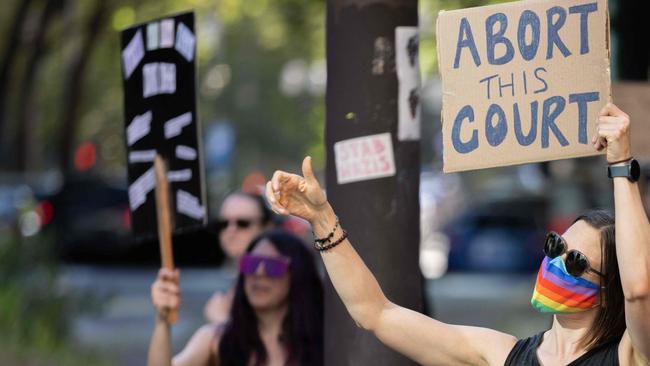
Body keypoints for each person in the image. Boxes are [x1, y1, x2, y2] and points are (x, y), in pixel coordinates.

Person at [265, 103, 650, 365]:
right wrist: (321, 218)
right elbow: (375, 313)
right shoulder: (503, 354)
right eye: (556, 246)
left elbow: (639, 288)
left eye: (577, 261)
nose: (556, 261)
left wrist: (620, 164)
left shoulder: (632, 353)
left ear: (607, 290)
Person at [148, 230, 324, 366]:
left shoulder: (325, 340)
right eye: (251, 264)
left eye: (273, 266)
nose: (259, 273)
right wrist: (162, 319)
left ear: (298, 275)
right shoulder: (215, 340)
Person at [204, 192, 274, 324]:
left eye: (243, 223)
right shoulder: (238, 282)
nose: (231, 231)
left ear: (266, 227)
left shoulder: (276, 280)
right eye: (224, 224)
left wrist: (221, 323)